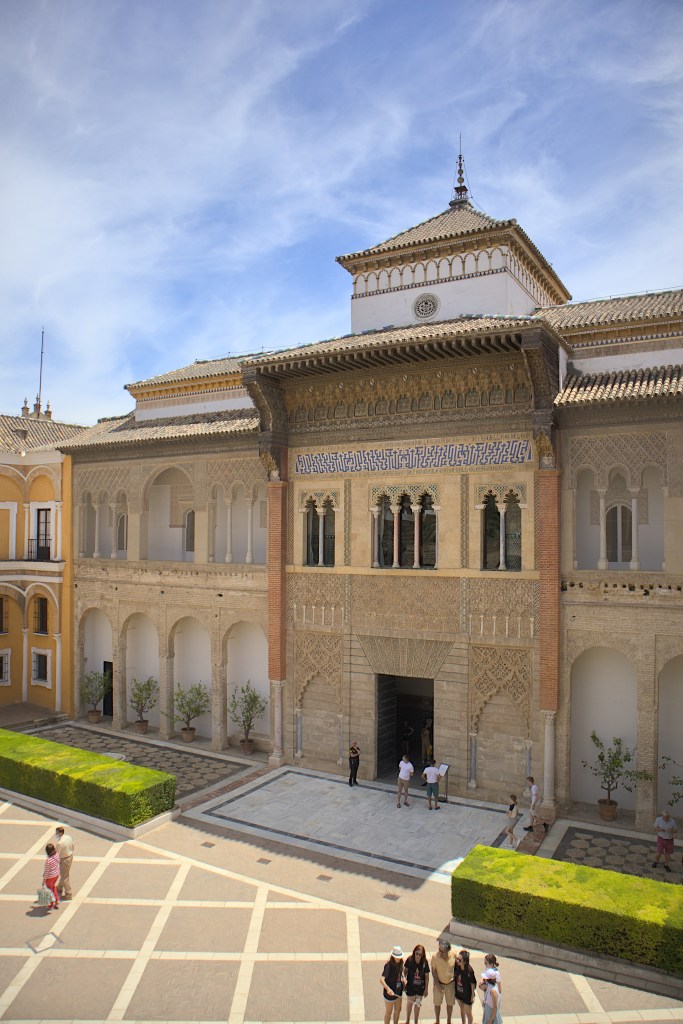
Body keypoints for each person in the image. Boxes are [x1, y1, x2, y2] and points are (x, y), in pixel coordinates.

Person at [430, 939, 456, 1024]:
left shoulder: (454, 955)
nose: (441, 953)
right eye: (439, 950)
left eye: (443, 951)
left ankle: (449, 1020)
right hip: (439, 984)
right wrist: (437, 984)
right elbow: (433, 971)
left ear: (448, 950)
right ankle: (437, 1020)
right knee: (437, 1004)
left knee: (450, 1004)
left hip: (450, 984)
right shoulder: (435, 956)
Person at [404, 943, 429, 1023]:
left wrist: (426, 989)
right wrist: (404, 981)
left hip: (420, 989)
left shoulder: (425, 962)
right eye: (417, 954)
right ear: (414, 952)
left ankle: (416, 1021)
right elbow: (405, 972)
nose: (418, 956)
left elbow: (427, 976)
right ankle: (407, 1020)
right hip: (410, 988)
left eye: (420, 955)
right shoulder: (409, 960)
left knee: (417, 1005)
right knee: (409, 1004)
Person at [381, 945, 405, 1024]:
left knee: (398, 1010)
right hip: (390, 993)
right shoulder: (388, 965)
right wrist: (388, 989)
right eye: (397, 957)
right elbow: (381, 979)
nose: (399, 958)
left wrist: (403, 978)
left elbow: (401, 973)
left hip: (398, 991)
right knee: (389, 1012)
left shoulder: (401, 962)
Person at [453, 949, 477, 1024]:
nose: (457, 961)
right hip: (459, 992)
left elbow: (473, 983)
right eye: (457, 958)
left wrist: (472, 995)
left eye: (459, 960)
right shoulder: (457, 966)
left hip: (467, 994)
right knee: (461, 1009)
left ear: (465, 962)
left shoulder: (469, 971)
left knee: (468, 1013)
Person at [55, 824, 75, 900]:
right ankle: (60, 887)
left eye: (57, 833)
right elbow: (73, 846)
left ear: (60, 833)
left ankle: (68, 893)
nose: (56, 834)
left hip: (64, 859)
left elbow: (57, 854)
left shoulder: (59, 843)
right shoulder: (68, 837)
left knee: (65, 876)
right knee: (64, 873)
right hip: (70, 856)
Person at [42, 842, 60, 910]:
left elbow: (46, 872)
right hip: (56, 875)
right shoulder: (57, 855)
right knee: (53, 887)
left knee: (49, 891)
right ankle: (57, 899)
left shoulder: (48, 861)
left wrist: (44, 881)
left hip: (50, 877)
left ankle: (52, 904)